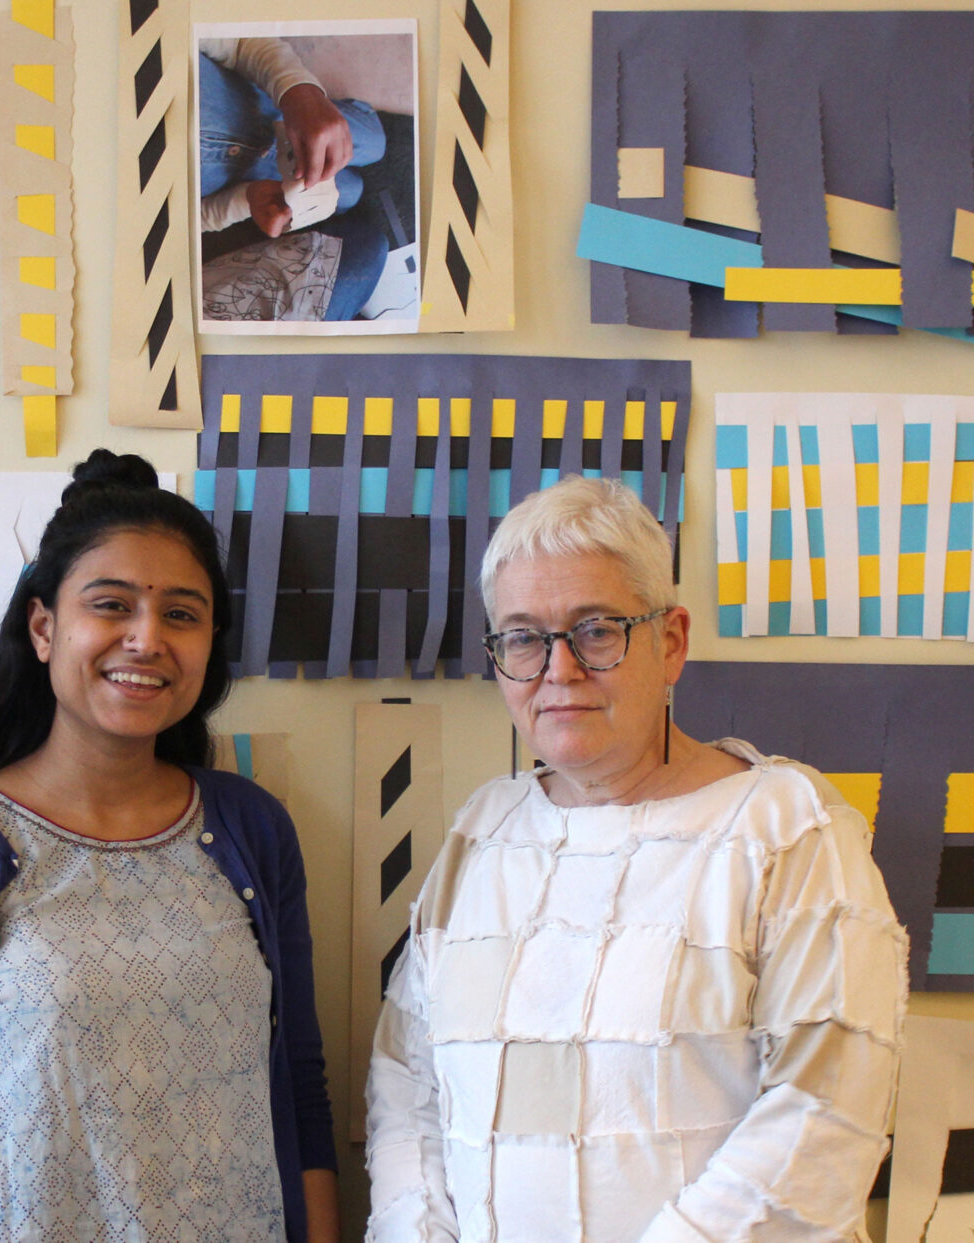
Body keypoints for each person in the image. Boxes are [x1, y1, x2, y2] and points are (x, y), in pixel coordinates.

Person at [364, 476, 907, 1243]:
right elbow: (407, 1081)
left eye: (595, 628)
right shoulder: (483, 830)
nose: (558, 669)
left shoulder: (789, 828)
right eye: (522, 635)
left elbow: (826, 1110)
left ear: (672, 640)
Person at [0, 450, 339, 1243]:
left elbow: (301, 1094)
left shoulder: (252, 830)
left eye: (182, 613)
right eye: (111, 604)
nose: (146, 638)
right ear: (43, 627)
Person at [199, 37, 391, 321]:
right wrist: (245, 200)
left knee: (374, 141)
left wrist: (299, 92)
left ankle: (323, 108)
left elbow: (240, 42)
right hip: (250, 176)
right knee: (350, 191)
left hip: (275, 113)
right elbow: (192, 220)